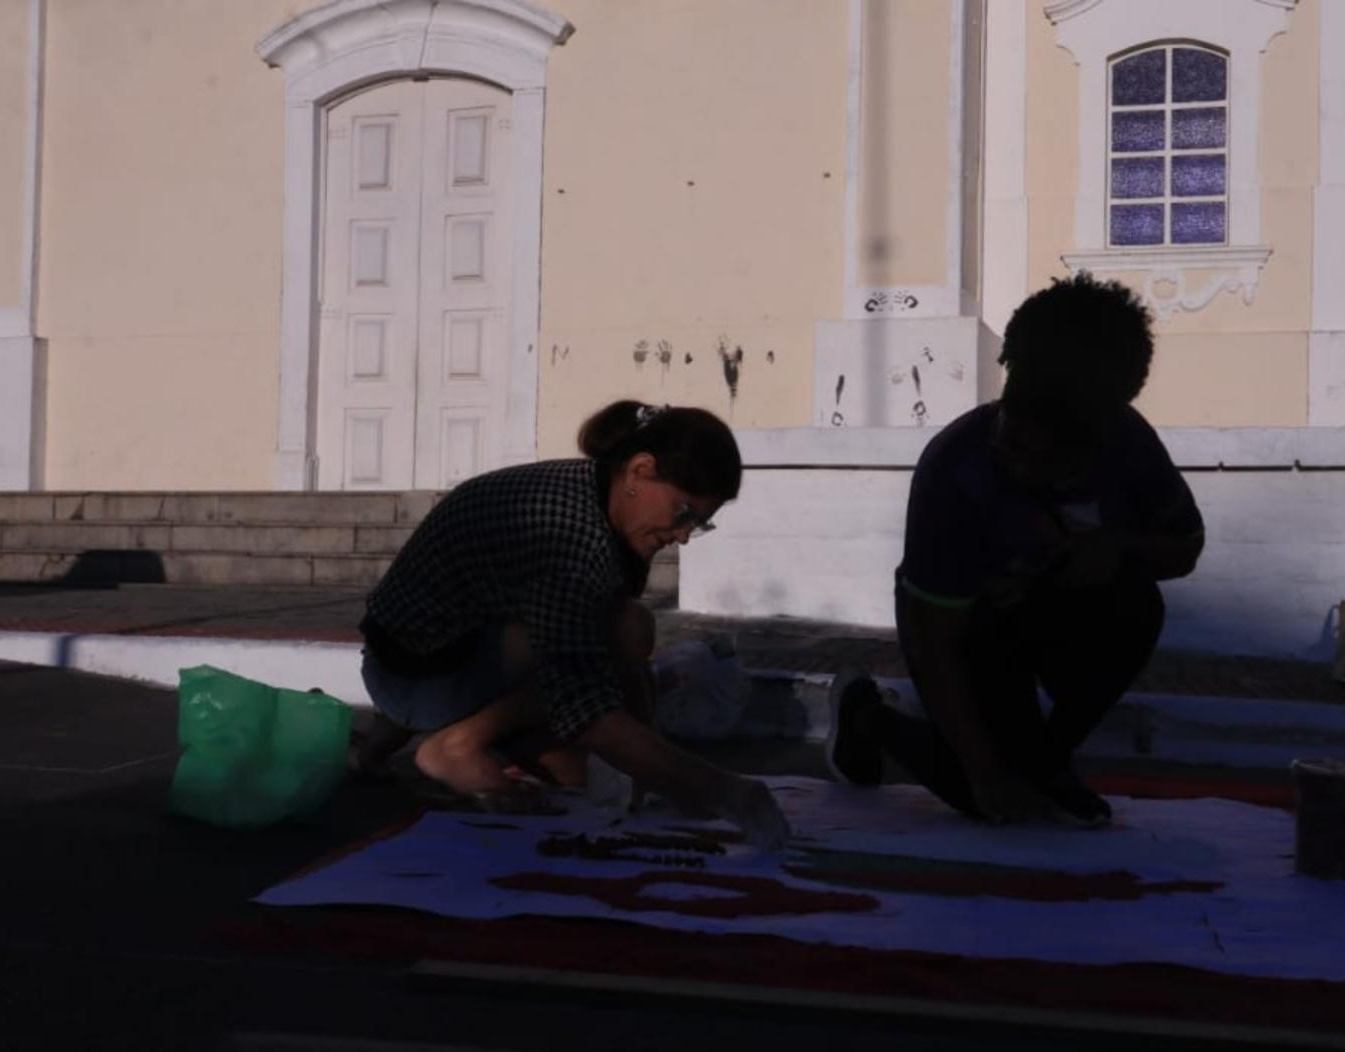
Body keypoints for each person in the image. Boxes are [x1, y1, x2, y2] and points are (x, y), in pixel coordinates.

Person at [824, 275, 1204, 826]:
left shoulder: (1129, 446)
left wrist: (1117, 551)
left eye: (1047, 458)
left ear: (1097, 435)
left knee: (1137, 603)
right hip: (968, 632)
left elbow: (1186, 547)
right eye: (1012, 441)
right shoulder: (955, 469)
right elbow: (937, 640)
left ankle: (1044, 761)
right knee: (985, 794)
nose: (1021, 467)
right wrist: (983, 772)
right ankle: (868, 717)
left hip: (1049, 615)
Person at [352, 400, 790, 850]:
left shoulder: (599, 494)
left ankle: (384, 744)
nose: (682, 535)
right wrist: (718, 789)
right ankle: (455, 746)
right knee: (622, 630)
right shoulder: (570, 531)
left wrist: (656, 771)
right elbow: (580, 699)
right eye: (684, 513)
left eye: (700, 524)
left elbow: (621, 678)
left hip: (416, 658)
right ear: (640, 471)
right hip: (417, 675)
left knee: (582, 775)